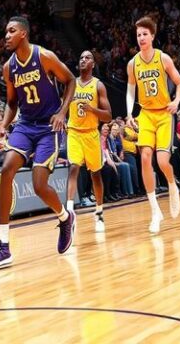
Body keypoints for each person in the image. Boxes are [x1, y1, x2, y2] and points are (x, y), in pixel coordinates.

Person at [0, 16, 76, 272]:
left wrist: (62, 112)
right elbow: (12, 103)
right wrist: (3, 125)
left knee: (38, 185)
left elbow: (70, 81)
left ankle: (65, 218)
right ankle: (3, 246)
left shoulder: (44, 56)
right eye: (6, 32)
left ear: (23, 33)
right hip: (25, 124)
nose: (7, 36)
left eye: (11, 31)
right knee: (5, 171)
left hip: (48, 126)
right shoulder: (8, 67)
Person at [125, 16, 180, 234]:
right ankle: (155, 211)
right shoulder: (132, 64)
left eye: (144, 34)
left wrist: (176, 102)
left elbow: (179, 83)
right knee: (145, 158)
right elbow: (131, 90)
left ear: (152, 36)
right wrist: (130, 112)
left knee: (162, 161)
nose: (141, 38)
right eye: (138, 34)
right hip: (146, 114)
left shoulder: (163, 58)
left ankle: (171, 184)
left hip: (164, 114)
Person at [65, 50, 112, 233]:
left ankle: (99, 212)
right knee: (74, 167)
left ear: (93, 64)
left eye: (88, 58)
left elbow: (108, 116)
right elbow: (63, 105)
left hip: (91, 133)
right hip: (74, 132)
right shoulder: (71, 84)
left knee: (95, 174)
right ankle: (69, 213)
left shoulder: (98, 86)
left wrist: (92, 109)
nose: (83, 59)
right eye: (81, 57)